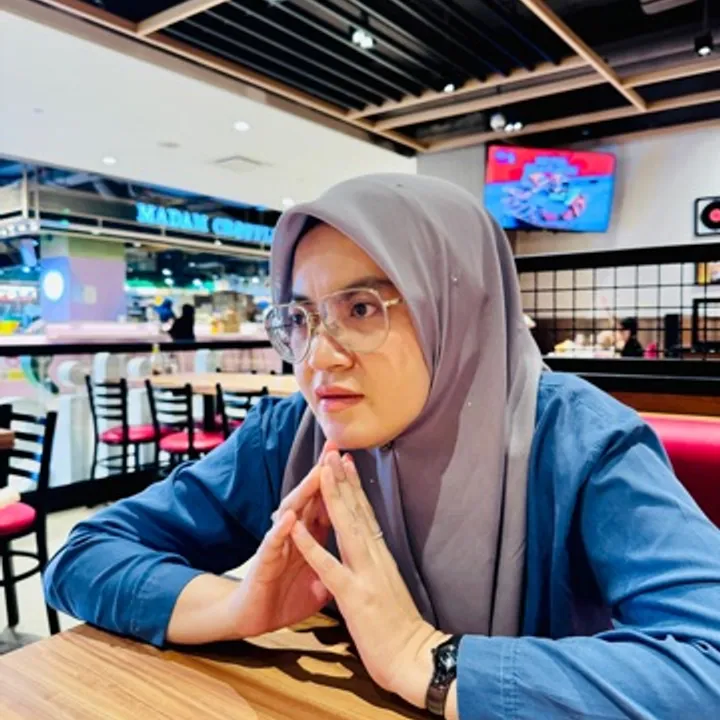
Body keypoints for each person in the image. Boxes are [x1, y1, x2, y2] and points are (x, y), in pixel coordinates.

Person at [44, 175, 720, 719]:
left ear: (457, 309)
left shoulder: (581, 442)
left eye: (361, 308)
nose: (317, 357)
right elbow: (85, 553)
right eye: (300, 318)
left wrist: (428, 658)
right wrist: (233, 606)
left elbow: (708, 665)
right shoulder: (293, 434)